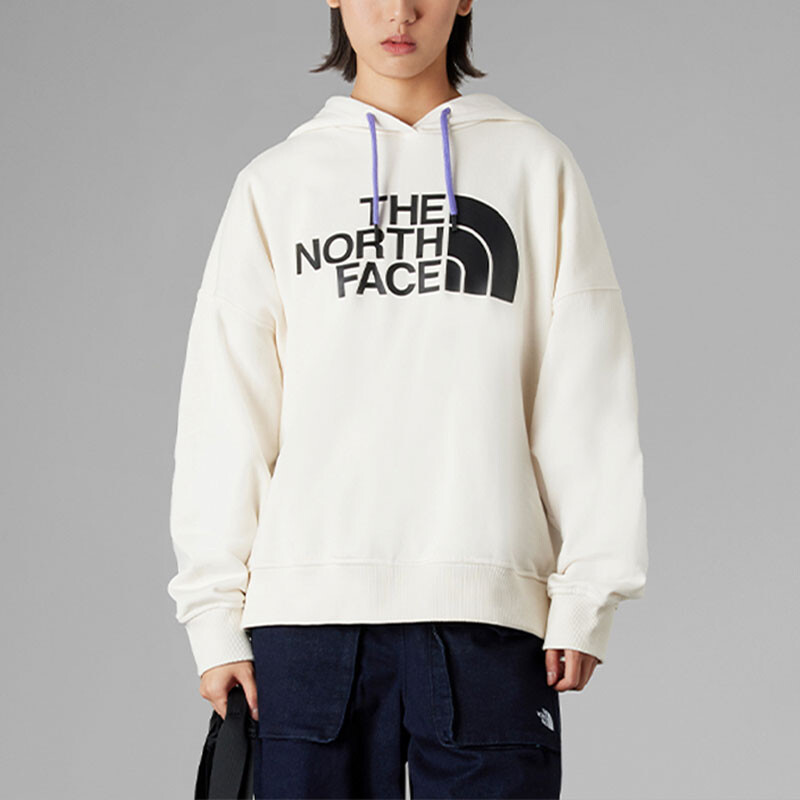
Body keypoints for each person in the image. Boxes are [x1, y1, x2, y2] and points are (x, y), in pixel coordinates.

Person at [167, 1, 648, 797]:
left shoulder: (535, 166)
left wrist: (588, 592)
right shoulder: (277, 183)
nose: (399, 11)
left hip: (487, 610)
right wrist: (213, 615)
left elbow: (585, 391)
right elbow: (228, 410)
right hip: (305, 619)